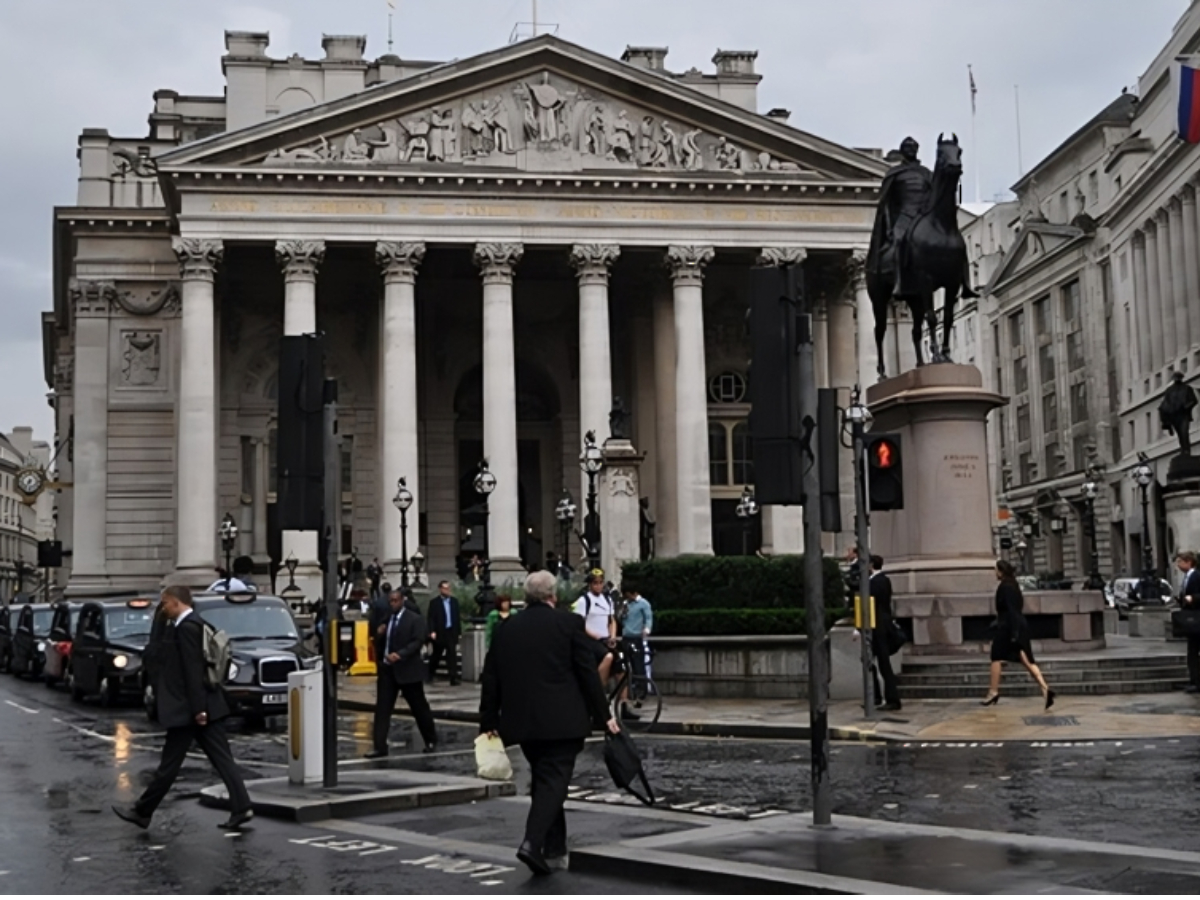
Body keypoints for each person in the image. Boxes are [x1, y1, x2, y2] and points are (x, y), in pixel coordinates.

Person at [479, 570, 618, 876]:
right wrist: (605, 715)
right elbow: (587, 674)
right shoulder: (569, 624)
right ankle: (532, 842)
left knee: (545, 780)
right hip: (563, 721)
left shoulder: (507, 628)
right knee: (554, 781)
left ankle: (555, 846)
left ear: (527, 597)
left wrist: (488, 719)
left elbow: (491, 676)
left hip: (523, 723)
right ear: (553, 596)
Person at [112, 585, 252, 831]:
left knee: (170, 766)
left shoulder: (187, 629)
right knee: (222, 761)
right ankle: (242, 808)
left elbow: (192, 671)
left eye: (165, 603)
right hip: (202, 707)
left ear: (177, 602)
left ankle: (142, 812)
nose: (162, 608)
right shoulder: (192, 625)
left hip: (192, 710)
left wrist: (199, 710)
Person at [366, 588, 438, 757]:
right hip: (388, 671)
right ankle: (379, 746)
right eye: (391, 601)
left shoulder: (414, 619)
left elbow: (417, 641)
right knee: (382, 709)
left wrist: (400, 655)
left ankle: (430, 740)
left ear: (402, 600)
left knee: (419, 708)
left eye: (396, 600)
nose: (393, 604)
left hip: (408, 671)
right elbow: (378, 641)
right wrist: (379, 634)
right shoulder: (386, 619)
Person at [983, 560, 1056, 710]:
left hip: (1009, 627)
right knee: (1026, 660)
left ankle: (993, 691)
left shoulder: (1006, 587)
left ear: (1001, 571)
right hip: (1016, 625)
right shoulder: (1014, 586)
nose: (995, 573)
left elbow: (1011, 610)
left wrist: (1013, 632)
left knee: (996, 656)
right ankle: (1045, 689)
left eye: (996, 570)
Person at [869, 555, 901, 712]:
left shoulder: (876, 582)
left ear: (871, 565)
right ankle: (875, 696)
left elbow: (871, 604)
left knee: (883, 664)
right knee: (870, 662)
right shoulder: (883, 580)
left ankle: (891, 699)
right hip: (879, 626)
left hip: (879, 628)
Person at [572, 570, 616, 685]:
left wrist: (613, 636)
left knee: (622, 668)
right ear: (590, 584)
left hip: (606, 639)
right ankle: (598, 691)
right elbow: (579, 623)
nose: (598, 586)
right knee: (608, 657)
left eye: (601, 582)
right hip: (591, 641)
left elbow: (611, 620)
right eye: (595, 583)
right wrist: (594, 635)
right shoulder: (584, 601)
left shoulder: (607, 599)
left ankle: (624, 701)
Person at [427, 580, 462, 686]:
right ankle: (429, 674)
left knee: (452, 655)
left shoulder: (454, 602)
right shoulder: (434, 603)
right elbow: (431, 618)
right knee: (436, 655)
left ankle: (453, 678)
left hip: (451, 631)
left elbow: (457, 617)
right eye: (445, 588)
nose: (447, 590)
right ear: (440, 589)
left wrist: (458, 632)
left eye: (448, 588)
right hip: (439, 632)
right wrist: (432, 631)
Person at [1176, 551, 1200, 693]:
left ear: (1188, 562)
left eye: (1180, 562)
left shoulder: (1196, 576)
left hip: (1196, 618)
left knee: (1194, 651)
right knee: (1192, 652)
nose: (1178, 565)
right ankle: (1194, 680)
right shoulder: (1187, 577)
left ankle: (1196, 682)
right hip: (1191, 619)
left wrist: (1193, 598)